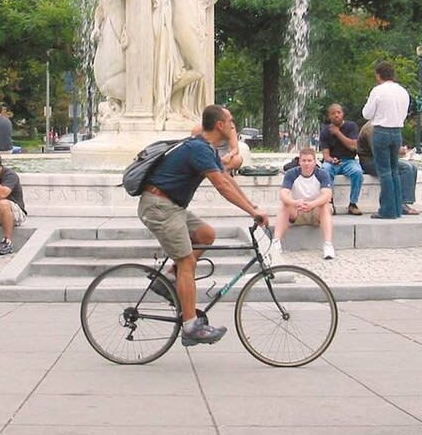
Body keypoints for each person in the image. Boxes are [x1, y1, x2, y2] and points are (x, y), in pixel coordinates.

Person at [137, 104, 271, 347]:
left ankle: (166, 280)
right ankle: (190, 327)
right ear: (219, 125)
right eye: (229, 120)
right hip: (159, 206)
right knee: (186, 261)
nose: (232, 125)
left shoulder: (204, 148)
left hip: (171, 206)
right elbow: (222, 187)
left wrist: (254, 207)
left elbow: (227, 180)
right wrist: (252, 211)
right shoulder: (198, 148)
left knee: (206, 234)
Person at [361, 61, 410, 220]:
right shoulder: (403, 91)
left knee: (385, 172)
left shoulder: (378, 91)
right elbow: (404, 114)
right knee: (394, 170)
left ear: (378, 75)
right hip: (397, 131)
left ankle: (387, 210)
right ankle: (397, 208)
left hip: (381, 130)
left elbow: (367, 114)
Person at [270, 146, 336, 260]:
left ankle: (328, 245)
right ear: (299, 161)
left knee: (325, 205)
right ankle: (276, 242)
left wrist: (312, 204)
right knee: (284, 204)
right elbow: (283, 194)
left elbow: (327, 195)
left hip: (316, 211)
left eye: (309, 161)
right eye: (304, 161)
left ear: (315, 162)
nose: (306, 164)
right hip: (297, 210)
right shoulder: (291, 173)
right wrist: (294, 202)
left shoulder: (322, 174)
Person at [358, 123, 419, 215]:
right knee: (406, 168)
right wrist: (398, 151)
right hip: (370, 162)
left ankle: (405, 201)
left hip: (380, 160)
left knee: (413, 167)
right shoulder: (370, 129)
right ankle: (401, 203)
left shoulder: (382, 127)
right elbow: (378, 151)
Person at [318, 103, 364, 215]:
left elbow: (353, 146)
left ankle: (353, 204)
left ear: (343, 114)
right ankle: (330, 203)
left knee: (358, 172)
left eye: (338, 112)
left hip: (349, 160)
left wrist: (338, 133)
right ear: (329, 116)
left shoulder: (351, 126)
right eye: (333, 113)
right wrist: (331, 160)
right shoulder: (325, 131)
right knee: (325, 170)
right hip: (332, 162)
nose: (336, 115)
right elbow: (325, 154)